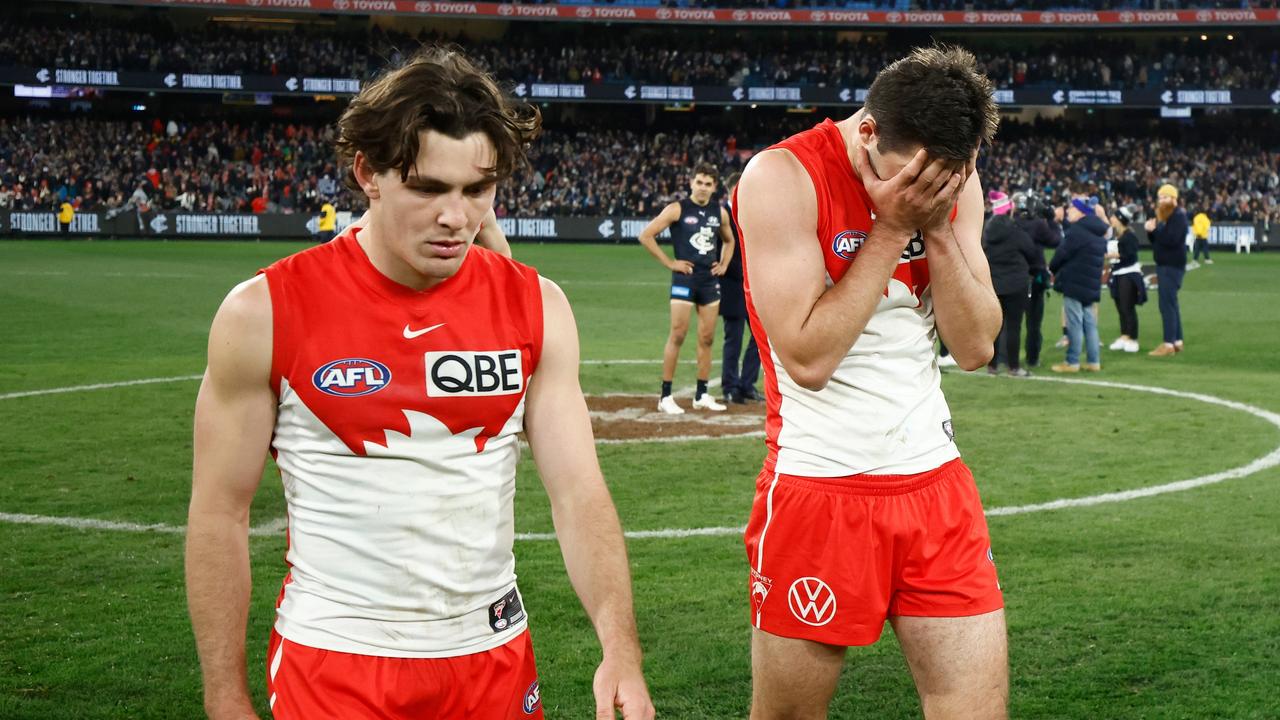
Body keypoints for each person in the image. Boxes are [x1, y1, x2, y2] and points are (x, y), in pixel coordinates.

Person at [185, 47, 654, 720]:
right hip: (335, 661)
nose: (456, 218)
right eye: (429, 189)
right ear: (367, 173)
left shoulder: (537, 306)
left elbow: (579, 493)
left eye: (477, 191)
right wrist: (224, 696)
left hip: (493, 656)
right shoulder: (264, 311)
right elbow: (218, 515)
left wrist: (621, 651)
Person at [733, 46, 1007, 719]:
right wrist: (892, 227)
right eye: (916, 176)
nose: (932, 188)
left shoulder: (954, 181)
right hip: (819, 487)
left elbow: (975, 346)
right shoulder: (782, 176)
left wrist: (936, 228)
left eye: (952, 175)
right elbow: (807, 358)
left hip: (936, 486)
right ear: (867, 134)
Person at [637, 162, 736, 415]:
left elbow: (730, 240)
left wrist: (724, 264)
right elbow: (646, 235)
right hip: (684, 280)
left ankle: (702, 394)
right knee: (678, 334)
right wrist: (670, 262)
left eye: (708, 184)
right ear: (691, 182)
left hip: (709, 281)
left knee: (707, 338)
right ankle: (665, 395)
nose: (703, 188)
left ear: (714, 188)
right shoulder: (677, 209)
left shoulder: (720, 212)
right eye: (699, 182)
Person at [982, 191, 1039, 377]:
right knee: (1014, 326)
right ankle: (1013, 367)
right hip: (1016, 284)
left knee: (994, 327)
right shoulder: (1015, 231)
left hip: (994, 284)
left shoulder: (986, 232)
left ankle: (992, 366)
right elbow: (1031, 251)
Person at [1050, 199, 1108, 373]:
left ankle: (1072, 362)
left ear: (1081, 212)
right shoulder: (1098, 231)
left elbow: (1062, 253)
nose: (1068, 212)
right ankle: (1093, 361)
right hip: (1090, 283)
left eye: (1072, 209)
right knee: (1090, 323)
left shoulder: (1077, 231)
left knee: (1074, 323)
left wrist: (1052, 267)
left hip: (1074, 282)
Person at [719, 171, 761, 404]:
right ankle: (729, 386)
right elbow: (722, 252)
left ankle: (747, 384)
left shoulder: (752, 214)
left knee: (759, 335)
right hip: (733, 286)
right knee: (733, 338)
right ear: (731, 191)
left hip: (753, 287)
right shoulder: (723, 215)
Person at [1011, 191, 1063, 368]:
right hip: (1035, 279)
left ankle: (1004, 358)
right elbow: (1056, 241)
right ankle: (1032, 359)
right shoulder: (1039, 225)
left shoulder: (1011, 224)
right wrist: (1052, 221)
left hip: (1014, 277)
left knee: (1011, 322)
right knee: (1034, 322)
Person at [1146, 184, 1189, 357]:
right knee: (1171, 303)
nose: (1162, 201)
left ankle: (1168, 343)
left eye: (1165, 197)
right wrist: (1151, 231)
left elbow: (1171, 239)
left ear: (1174, 199)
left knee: (1166, 304)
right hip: (1167, 264)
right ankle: (1177, 341)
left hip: (1171, 265)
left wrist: (1155, 229)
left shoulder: (1178, 216)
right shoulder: (1166, 216)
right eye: (1160, 197)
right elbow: (1157, 240)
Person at [1106, 205, 1145, 353]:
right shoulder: (1119, 235)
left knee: (1127, 307)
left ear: (1120, 220)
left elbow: (1128, 254)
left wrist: (1110, 256)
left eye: (1114, 217)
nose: (1112, 219)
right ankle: (1124, 335)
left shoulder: (1130, 236)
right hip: (1118, 274)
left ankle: (1133, 338)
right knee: (1120, 307)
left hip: (1128, 275)